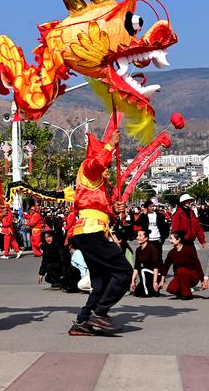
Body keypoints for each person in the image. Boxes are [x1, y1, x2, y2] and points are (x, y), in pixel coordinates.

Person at [68, 130, 133, 336]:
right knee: (123, 271)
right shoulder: (89, 169)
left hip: (93, 231)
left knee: (101, 282)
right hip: (90, 231)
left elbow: (105, 212)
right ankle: (100, 311)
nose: (108, 169)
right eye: (107, 165)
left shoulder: (100, 184)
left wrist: (115, 210)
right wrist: (110, 145)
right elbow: (97, 164)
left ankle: (82, 321)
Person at [158, 231, 204, 299]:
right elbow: (165, 267)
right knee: (171, 289)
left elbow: (197, 264)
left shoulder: (189, 249)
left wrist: (203, 280)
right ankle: (185, 290)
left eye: (171, 239)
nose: (170, 241)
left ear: (178, 239)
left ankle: (187, 295)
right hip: (179, 277)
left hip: (192, 276)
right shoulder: (172, 253)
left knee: (181, 270)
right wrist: (162, 281)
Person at [130, 229, 162, 297]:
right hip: (147, 274)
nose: (137, 237)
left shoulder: (152, 248)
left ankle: (147, 292)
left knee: (142, 270)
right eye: (137, 236)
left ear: (146, 238)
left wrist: (155, 282)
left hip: (156, 273)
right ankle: (152, 290)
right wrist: (133, 281)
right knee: (137, 292)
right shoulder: (138, 250)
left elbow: (156, 266)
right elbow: (136, 267)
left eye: (140, 236)